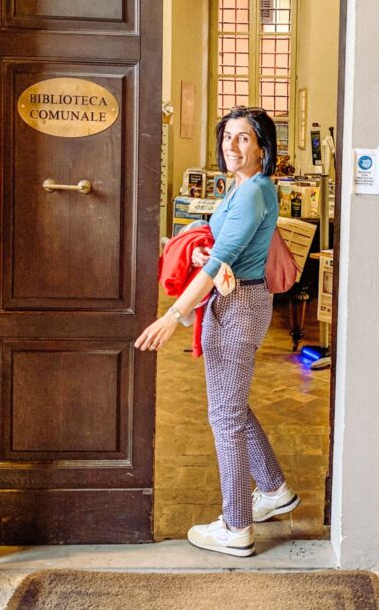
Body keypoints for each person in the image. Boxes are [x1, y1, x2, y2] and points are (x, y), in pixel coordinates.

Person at [135, 106, 299, 557]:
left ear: (262, 146)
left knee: (224, 418)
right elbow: (219, 242)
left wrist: (173, 315)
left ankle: (236, 526)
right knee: (233, 407)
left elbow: (223, 257)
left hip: (237, 304)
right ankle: (273, 490)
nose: (232, 145)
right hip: (234, 299)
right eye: (228, 136)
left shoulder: (253, 192)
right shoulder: (243, 187)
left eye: (244, 138)